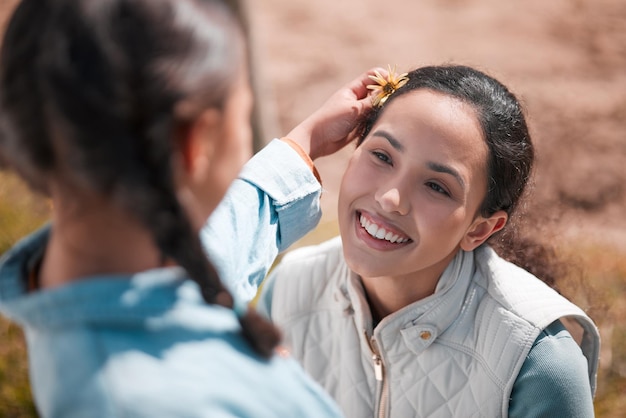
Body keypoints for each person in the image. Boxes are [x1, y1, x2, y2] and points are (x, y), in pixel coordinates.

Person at [0, 0, 377, 416]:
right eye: (242, 115)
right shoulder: (156, 402)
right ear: (195, 142)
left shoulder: (99, 266)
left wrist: (304, 144)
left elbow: (214, 246)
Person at [257, 65, 601, 417]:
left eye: (437, 186)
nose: (391, 198)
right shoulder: (287, 292)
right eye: (382, 156)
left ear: (479, 230)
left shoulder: (540, 364)